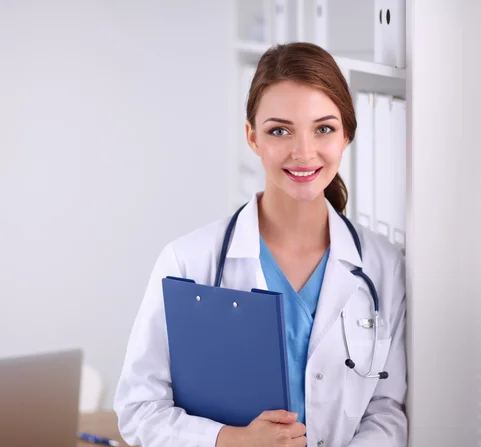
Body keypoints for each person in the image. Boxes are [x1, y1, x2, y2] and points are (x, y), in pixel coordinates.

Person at [114, 42, 407, 447]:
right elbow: (139, 408)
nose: (303, 153)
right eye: (279, 130)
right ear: (252, 137)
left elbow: (387, 410)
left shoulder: (382, 265)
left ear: (347, 135)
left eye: (324, 128)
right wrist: (231, 440)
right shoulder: (187, 262)